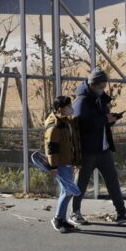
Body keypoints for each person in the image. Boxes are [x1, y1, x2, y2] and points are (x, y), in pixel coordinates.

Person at [68, 68, 126, 226]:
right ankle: (75, 212)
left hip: (103, 148)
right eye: (101, 86)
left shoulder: (98, 98)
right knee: (81, 182)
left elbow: (100, 119)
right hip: (88, 150)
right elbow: (80, 123)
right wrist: (103, 119)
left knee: (112, 180)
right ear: (93, 84)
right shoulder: (82, 101)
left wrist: (111, 119)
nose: (103, 89)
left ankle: (122, 212)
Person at [44, 95, 82, 234]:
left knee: (67, 191)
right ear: (60, 109)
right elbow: (52, 148)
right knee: (68, 191)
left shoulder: (65, 121)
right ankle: (58, 219)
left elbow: (72, 143)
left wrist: (76, 162)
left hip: (67, 162)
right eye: (68, 106)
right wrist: (53, 167)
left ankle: (62, 219)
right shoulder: (55, 125)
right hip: (61, 164)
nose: (71, 108)